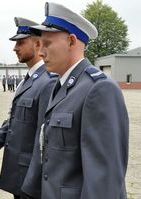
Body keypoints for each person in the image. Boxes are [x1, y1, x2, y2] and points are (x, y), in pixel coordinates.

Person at [30, 2, 129, 199]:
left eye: (47, 44)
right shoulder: (61, 85)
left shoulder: (99, 89)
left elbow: (104, 180)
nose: (40, 53)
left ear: (72, 41)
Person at [0, 17, 57, 199]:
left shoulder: (48, 82)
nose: (15, 48)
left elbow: (45, 138)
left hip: (32, 181)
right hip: (20, 176)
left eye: (21, 42)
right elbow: (16, 120)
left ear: (38, 44)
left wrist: (35, 183)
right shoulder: (27, 81)